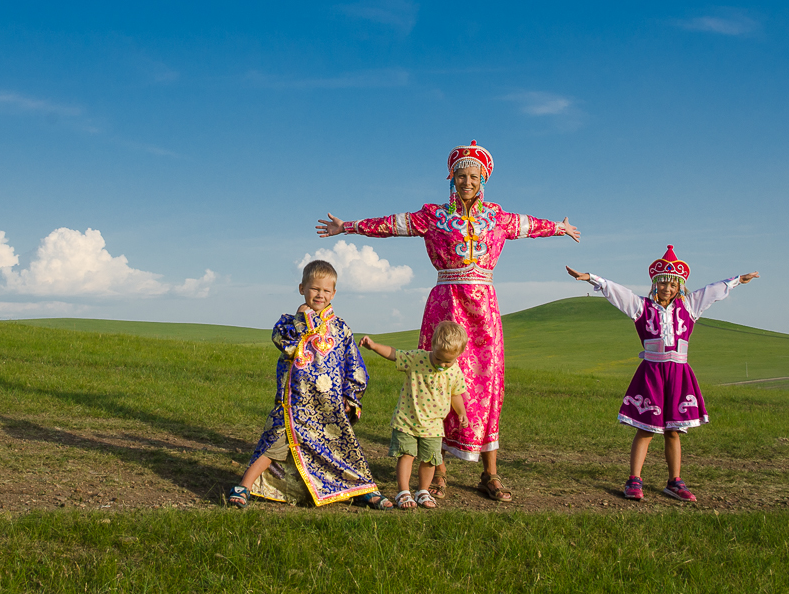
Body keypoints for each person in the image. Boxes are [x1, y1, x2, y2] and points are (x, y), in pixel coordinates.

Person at [317, 140, 580, 502]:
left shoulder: (497, 217)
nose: (466, 181)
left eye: (473, 175)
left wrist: (559, 227)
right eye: (460, 175)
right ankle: (436, 470)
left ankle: (490, 474)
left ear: (483, 177)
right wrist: (347, 226)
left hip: (484, 309)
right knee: (434, 381)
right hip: (446, 303)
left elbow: (529, 225)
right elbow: (391, 224)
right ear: (451, 178)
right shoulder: (434, 216)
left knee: (488, 385)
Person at [566, 246, 758, 501]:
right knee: (646, 428)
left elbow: (712, 291)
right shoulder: (641, 307)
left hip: (678, 374)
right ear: (655, 285)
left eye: (673, 284)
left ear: (679, 286)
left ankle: (674, 481)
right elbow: (617, 293)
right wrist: (592, 278)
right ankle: (634, 480)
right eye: (663, 283)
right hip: (652, 374)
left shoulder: (689, 307)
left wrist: (737, 281)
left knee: (673, 430)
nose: (667, 288)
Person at [227, 260, 391, 509]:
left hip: (329, 406)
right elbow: (287, 344)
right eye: (315, 289)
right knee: (274, 443)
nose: (320, 295)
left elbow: (353, 365)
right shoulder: (288, 323)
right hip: (294, 403)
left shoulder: (341, 329)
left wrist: (351, 397)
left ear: (333, 293)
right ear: (302, 288)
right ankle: (244, 487)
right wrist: (304, 318)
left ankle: (363, 489)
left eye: (326, 290)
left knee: (341, 451)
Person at [360, 321, 470, 510]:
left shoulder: (455, 371)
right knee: (406, 455)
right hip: (407, 420)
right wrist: (374, 346)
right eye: (439, 359)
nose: (443, 365)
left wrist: (461, 412)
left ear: (458, 356)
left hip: (434, 425)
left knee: (430, 459)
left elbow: (456, 394)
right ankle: (403, 492)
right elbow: (395, 354)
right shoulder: (417, 358)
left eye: (448, 361)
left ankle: (422, 491)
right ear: (432, 346)